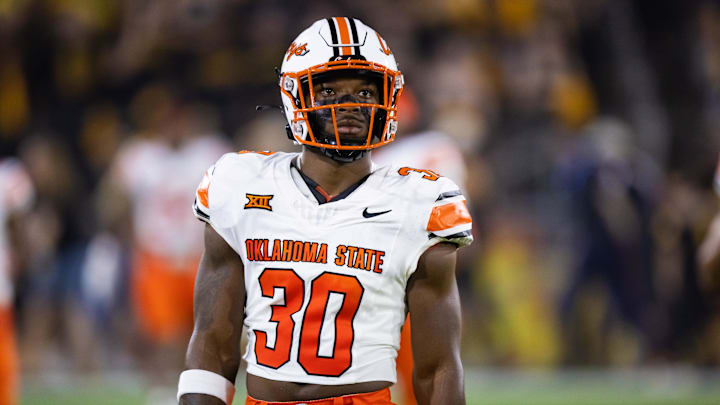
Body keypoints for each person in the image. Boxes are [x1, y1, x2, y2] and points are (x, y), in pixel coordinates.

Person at [178, 17, 472, 405]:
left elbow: (437, 368)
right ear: (295, 97)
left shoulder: (418, 202)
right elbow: (214, 344)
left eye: (366, 92)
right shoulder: (240, 185)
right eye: (330, 91)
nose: (350, 106)